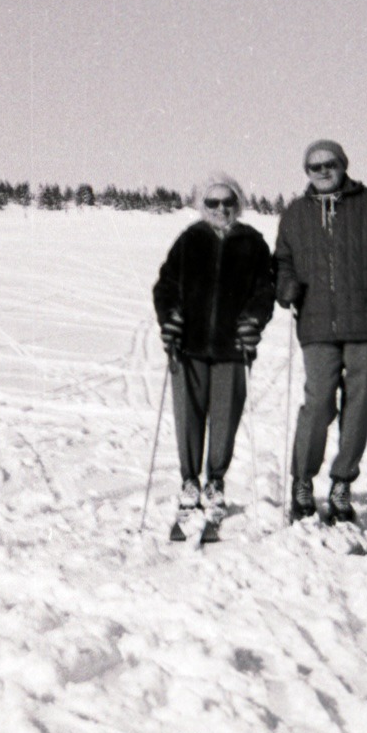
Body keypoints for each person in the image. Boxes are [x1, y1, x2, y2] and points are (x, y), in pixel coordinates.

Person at [275, 140, 367, 524]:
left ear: (343, 165)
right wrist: (285, 287)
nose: (322, 171)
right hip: (316, 325)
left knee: (359, 406)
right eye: (313, 167)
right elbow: (282, 260)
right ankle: (302, 481)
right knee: (317, 404)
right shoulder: (296, 214)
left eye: (329, 164)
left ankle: (341, 483)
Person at [153, 174, 275, 530]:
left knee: (224, 419)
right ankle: (189, 481)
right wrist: (170, 319)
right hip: (188, 347)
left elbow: (264, 291)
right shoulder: (190, 240)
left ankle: (215, 482)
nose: (221, 209)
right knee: (188, 416)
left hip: (232, 348)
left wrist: (253, 320)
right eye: (212, 203)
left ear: (238, 203)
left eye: (227, 202)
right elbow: (166, 285)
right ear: (202, 206)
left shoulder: (253, 243)